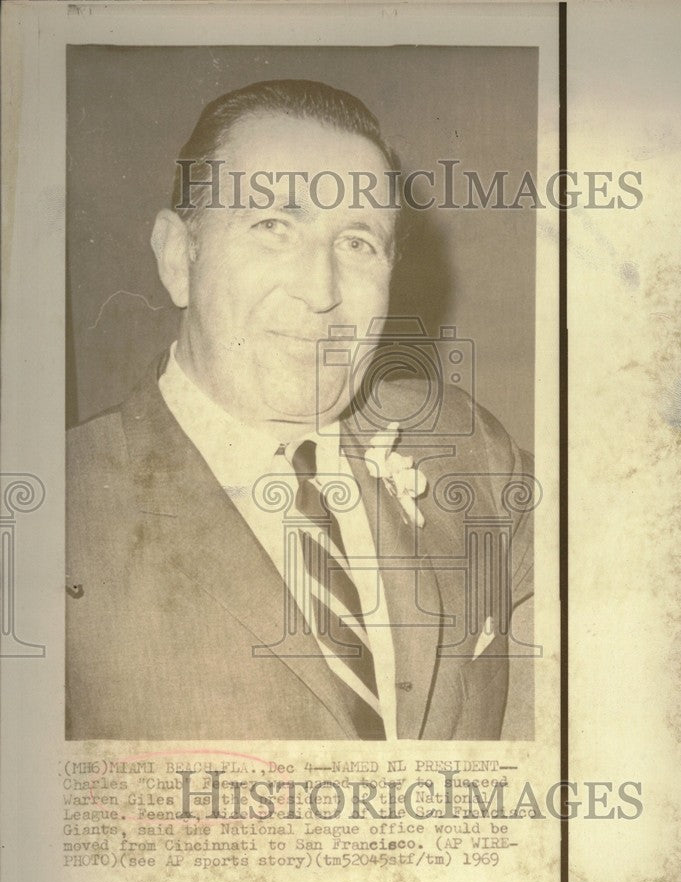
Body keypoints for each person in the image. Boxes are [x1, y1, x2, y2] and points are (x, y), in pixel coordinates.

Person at [66, 79, 536, 741]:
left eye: (357, 242)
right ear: (179, 258)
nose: (321, 293)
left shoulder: (456, 441)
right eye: (273, 228)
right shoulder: (57, 515)